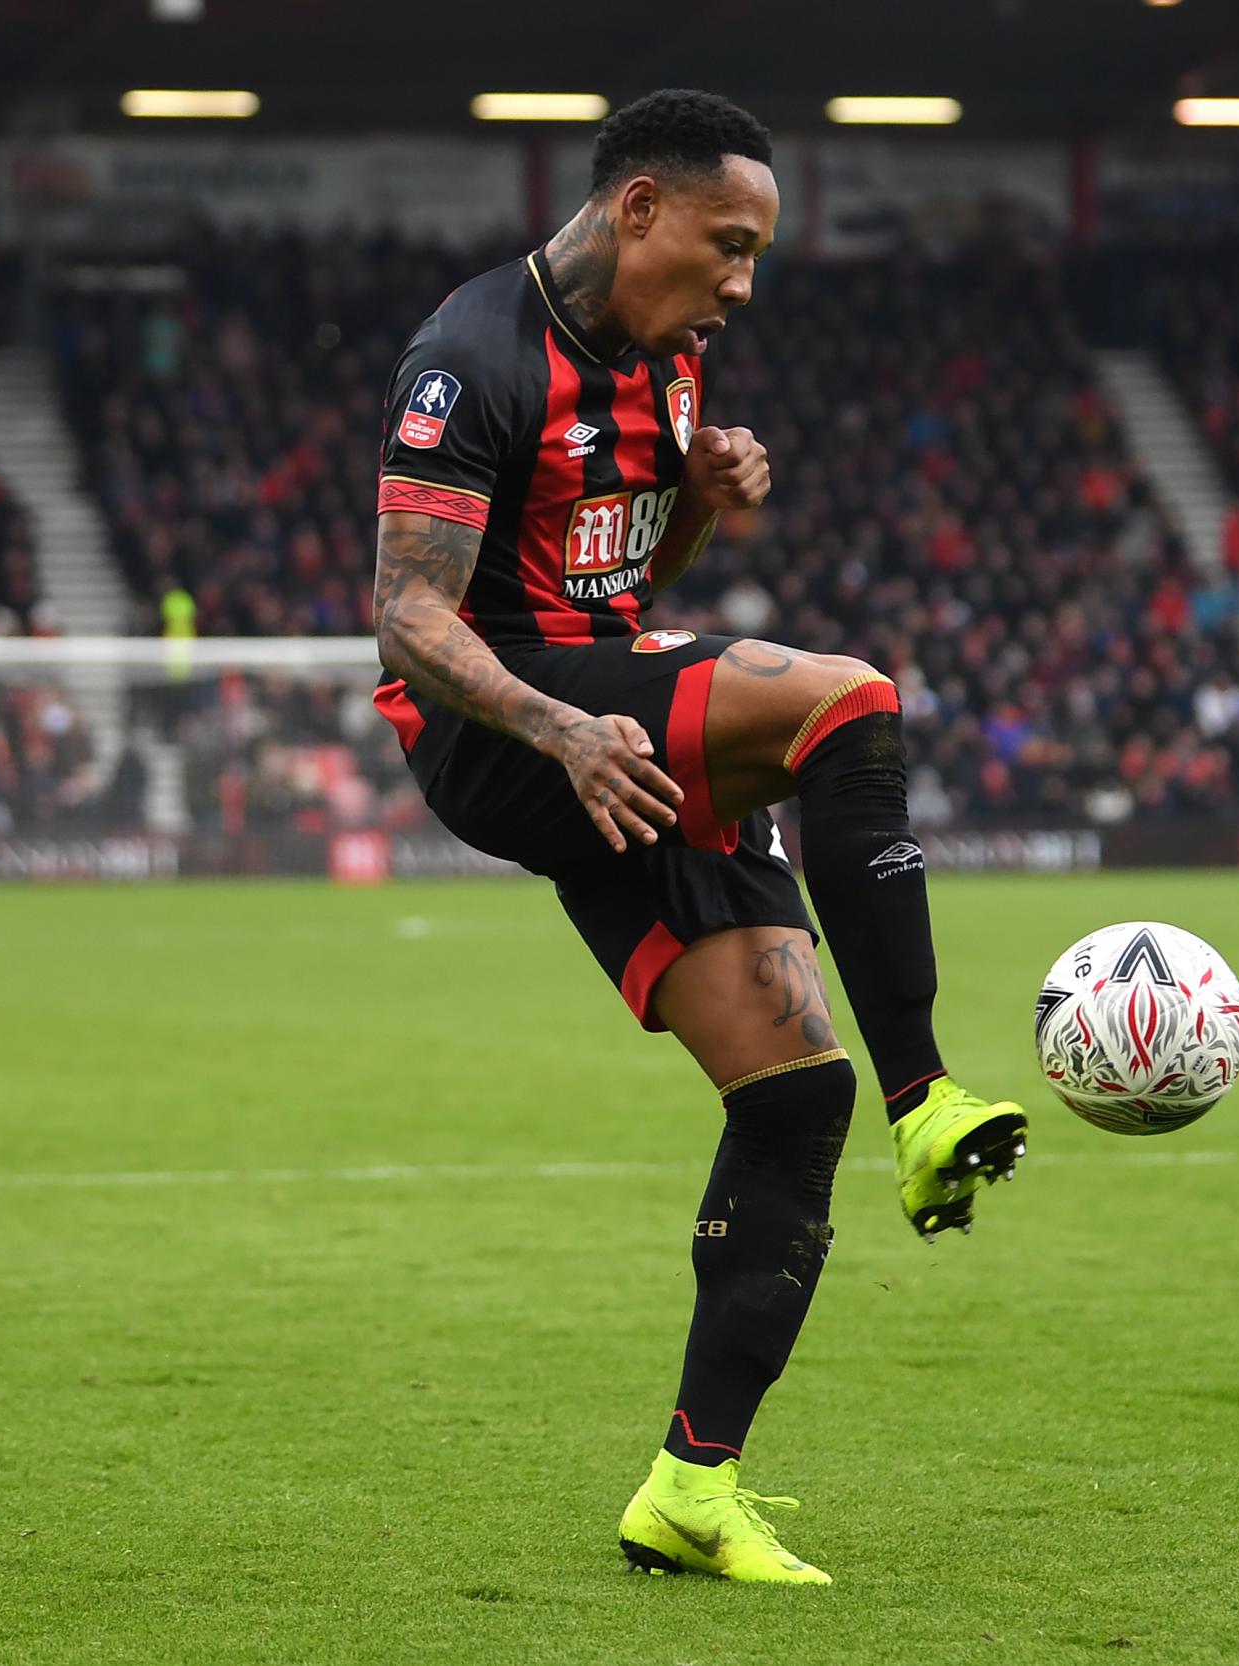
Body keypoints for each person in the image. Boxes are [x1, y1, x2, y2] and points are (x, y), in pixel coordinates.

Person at [366, 90, 1026, 1586]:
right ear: (640, 208)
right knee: (851, 703)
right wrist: (558, 727)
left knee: (795, 1093)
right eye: (729, 244)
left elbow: (625, 572)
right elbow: (407, 616)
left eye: (758, 255)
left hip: (614, 720)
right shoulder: (469, 356)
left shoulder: (671, 369)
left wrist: (704, 509)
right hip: (502, 728)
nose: (742, 280)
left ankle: (690, 1486)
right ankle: (935, 1095)